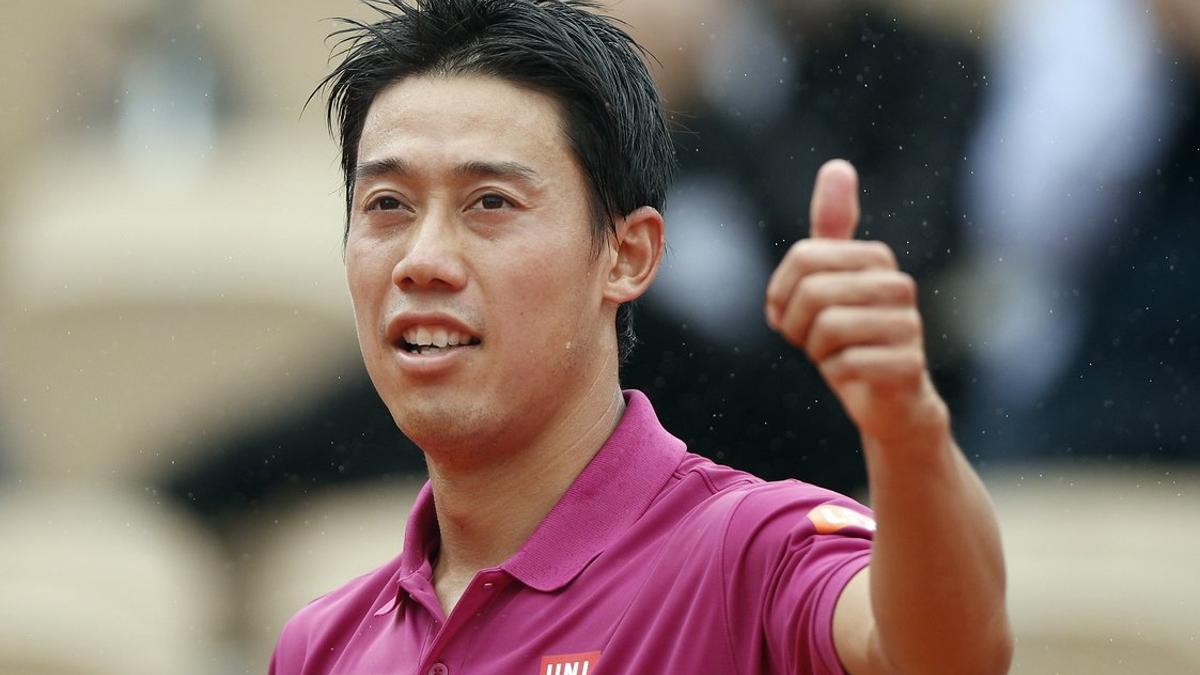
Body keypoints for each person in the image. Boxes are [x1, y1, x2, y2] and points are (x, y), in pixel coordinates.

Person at [270, 1, 1012, 673]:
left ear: (628, 255)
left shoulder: (745, 551)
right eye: (388, 204)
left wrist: (908, 425)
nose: (422, 259)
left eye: (490, 201)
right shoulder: (322, 644)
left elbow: (945, 654)